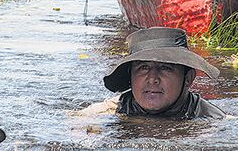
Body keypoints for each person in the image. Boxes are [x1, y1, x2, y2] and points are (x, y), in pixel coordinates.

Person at [76, 27, 226, 119]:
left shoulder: (212, 119)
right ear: (130, 76)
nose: (153, 79)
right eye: (143, 68)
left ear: (188, 78)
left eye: (166, 68)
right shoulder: (103, 113)